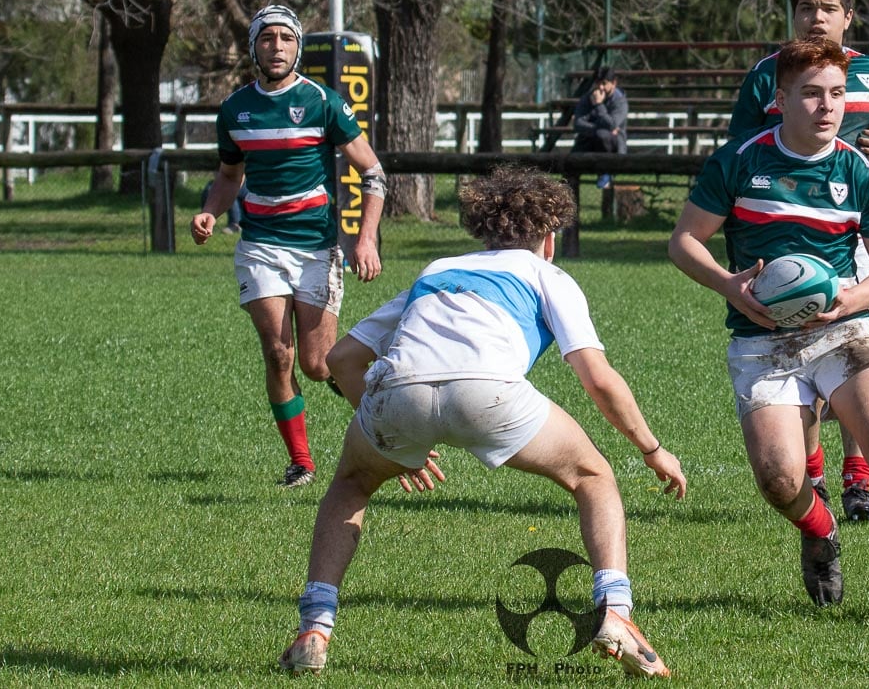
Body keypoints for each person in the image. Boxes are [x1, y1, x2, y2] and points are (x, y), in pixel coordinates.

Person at [278, 167, 687, 677]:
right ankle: (618, 615)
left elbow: (341, 359)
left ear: (486, 230)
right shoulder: (547, 275)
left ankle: (314, 629)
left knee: (350, 483)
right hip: (487, 391)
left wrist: (388, 431)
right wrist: (651, 449)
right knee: (594, 477)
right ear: (549, 238)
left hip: (396, 390)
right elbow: (598, 378)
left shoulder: (439, 267)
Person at [668, 38, 869, 630]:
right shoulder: (738, 161)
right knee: (780, 480)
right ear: (780, 98)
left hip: (844, 332)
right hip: (762, 341)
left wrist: (845, 300)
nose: (827, 107)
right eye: (811, 94)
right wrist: (729, 285)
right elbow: (684, 241)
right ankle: (819, 530)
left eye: (837, 94)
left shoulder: (861, 173)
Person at [728, 0, 869, 523]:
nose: (817, 17)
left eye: (828, 8)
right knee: (796, 341)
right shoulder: (767, 76)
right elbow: (741, 151)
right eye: (807, 7)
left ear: (848, 17)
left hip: (860, 228)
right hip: (791, 234)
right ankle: (812, 472)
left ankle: (859, 481)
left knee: (855, 345)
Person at [190, 4, 387, 488]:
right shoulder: (235, 109)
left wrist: (365, 239)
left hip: (316, 248)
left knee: (318, 365)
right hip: (259, 245)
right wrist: (211, 212)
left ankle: (381, 395)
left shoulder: (323, 102)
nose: (276, 46)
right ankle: (301, 462)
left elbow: (374, 173)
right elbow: (229, 176)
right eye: (266, 38)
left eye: (285, 38)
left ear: (297, 45)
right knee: (278, 353)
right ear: (254, 46)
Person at [573, 66, 628, 189]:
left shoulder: (620, 101)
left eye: (604, 83)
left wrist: (598, 105)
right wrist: (599, 128)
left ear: (614, 83)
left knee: (603, 136)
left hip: (613, 146)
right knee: (571, 160)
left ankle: (605, 173)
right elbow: (578, 124)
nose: (600, 87)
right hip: (589, 141)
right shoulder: (587, 98)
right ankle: (570, 197)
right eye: (598, 83)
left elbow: (612, 124)